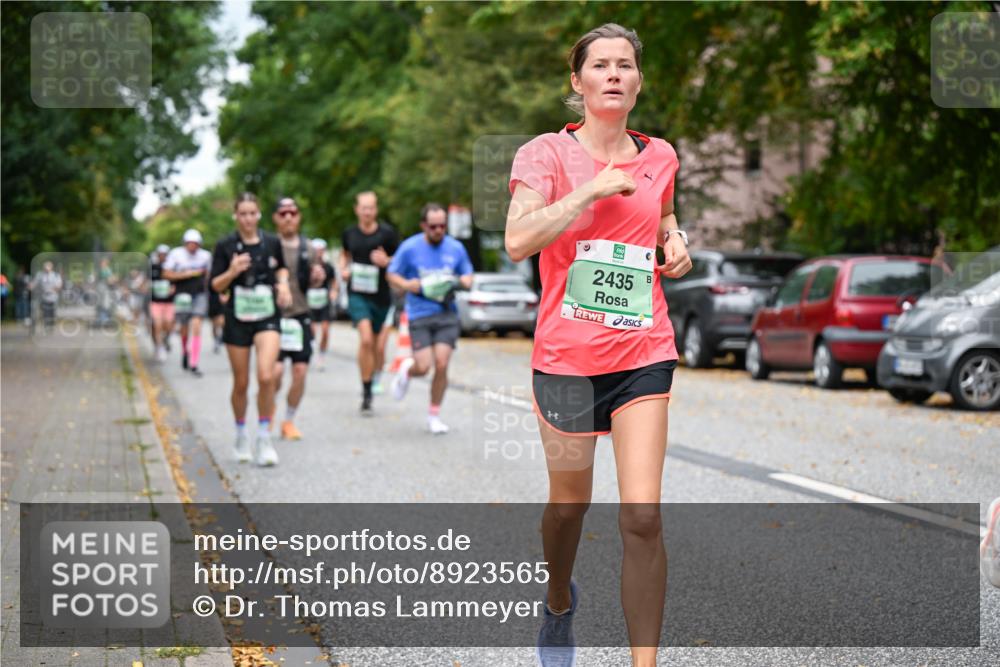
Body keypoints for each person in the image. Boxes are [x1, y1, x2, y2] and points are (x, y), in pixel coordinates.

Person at [504, 24, 691, 667]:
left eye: (626, 65)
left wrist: (675, 241)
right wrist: (587, 189)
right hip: (565, 360)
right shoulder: (544, 157)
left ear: (638, 82)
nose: (614, 74)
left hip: (643, 352)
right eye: (600, 65)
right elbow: (518, 240)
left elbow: (661, 215)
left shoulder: (661, 155)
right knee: (569, 507)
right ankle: (559, 599)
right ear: (577, 82)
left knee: (642, 517)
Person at [210, 193, 292, 467]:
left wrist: (283, 285)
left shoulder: (271, 242)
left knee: (267, 377)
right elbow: (216, 285)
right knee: (241, 383)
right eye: (242, 213)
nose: (248, 218)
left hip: (267, 315)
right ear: (236, 216)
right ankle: (241, 433)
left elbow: (281, 270)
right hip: (237, 317)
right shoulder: (225, 245)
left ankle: (264, 436)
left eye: (252, 213)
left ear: (259, 215)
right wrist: (232, 272)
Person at [387, 203, 473, 434]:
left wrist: (464, 280)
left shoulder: (455, 248)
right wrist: (406, 284)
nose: (438, 230)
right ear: (424, 225)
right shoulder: (409, 247)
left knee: (442, 364)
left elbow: (467, 274)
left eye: (442, 226)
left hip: (446, 313)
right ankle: (407, 371)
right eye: (433, 226)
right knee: (424, 367)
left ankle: (434, 415)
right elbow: (391, 273)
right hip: (419, 314)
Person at [270, 197, 325, 440]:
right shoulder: (268, 245)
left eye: (293, 212)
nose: (289, 217)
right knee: (275, 373)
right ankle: (268, 410)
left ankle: (289, 420)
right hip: (273, 316)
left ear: (299, 216)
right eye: (283, 213)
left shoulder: (308, 247)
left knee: (300, 371)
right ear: (276, 218)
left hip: (300, 315)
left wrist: (318, 277)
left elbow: (315, 280)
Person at [340, 191, 399, 414]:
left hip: (381, 296)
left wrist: (387, 261)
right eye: (364, 208)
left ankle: (371, 380)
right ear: (357, 209)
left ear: (376, 209)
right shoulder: (349, 233)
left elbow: (400, 260)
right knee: (365, 340)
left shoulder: (387, 234)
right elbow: (345, 255)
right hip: (357, 293)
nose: (367, 212)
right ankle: (366, 391)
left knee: (376, 345)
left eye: (371, 208)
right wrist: (344, 269)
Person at [164, 229, 213, 377]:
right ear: (185, 243)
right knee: (184, 326)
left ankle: (194, 362)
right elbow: (166, 273)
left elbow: (210, 275)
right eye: (190, 244)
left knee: (197, 324)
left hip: (199, 294)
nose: (193, 246)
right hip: (182, 294)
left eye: (195, 244)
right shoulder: (176, 254)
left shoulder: (206, 256)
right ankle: (185, 351)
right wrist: (185, 274)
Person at [307, 238, 337, 371]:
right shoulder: (307, 266)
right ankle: (310, 349)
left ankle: (322, 356)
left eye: (321, 250)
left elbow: (334, 281)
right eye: (316, 250)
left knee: (325, 331)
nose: (319, 253)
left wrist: (334, 292)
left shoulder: (328, 267)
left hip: (324, 301)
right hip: (310, 301)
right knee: (312, 330)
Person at [149, 244, 176, 362]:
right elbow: (145, 281)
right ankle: (159, 348)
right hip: (155, 302)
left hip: (169, 303)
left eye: (165, 254)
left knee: (168, 325)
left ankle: (166, 339)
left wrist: (174, 288)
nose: (163, 256)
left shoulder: (172, 268)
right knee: (157, 324)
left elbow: (178, 280)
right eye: (161, 254)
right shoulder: (152, 268)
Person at [32, 261, 62, 332]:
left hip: (53, 297)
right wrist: (31, 286)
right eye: (45, 267)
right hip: (44, 297)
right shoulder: (41, 275)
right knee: (45, 312)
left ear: (51, 267)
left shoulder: (55, 275)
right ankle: (46, 325)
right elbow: (35, 283)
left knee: (52, 312)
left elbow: (59, 285)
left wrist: (52, 289)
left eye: (48, 267)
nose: (46, 269)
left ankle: (51, 325)